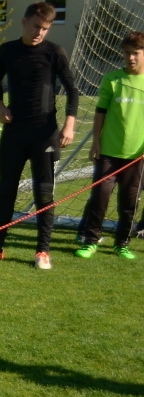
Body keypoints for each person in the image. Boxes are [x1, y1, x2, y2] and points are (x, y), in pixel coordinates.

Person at [0, 1, 78, 269]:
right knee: (6, 188)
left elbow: (72, 90)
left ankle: (42, 251)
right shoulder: (7, 50)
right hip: (14, 132)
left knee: (44, 192)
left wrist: (69, 125)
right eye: (36, 26)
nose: (40, 32)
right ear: (24, 22)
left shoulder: (55, 52)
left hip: (45, 134)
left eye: (46, 28)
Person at [73, 31, 144, 260]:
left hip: (137, 156)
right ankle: (91, 241)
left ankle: (121, 243)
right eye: (126, 53)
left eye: (136, 53)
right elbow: (100, 112)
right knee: (100, 197)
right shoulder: (112, 79)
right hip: (108, 152)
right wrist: (95, 142)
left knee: (129, 202)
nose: (130, 58)